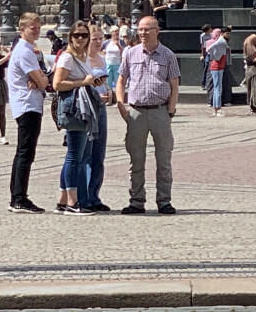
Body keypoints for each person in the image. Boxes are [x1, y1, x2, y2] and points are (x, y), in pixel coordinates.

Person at [115, 14, 179, 214]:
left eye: (147, 29)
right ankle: (136, 201)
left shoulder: (168, 55)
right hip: (136, 112)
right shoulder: (130, 53)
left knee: (164, 159)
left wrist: (170, 111)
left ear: (157, 31)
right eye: (140, 29)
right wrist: (121, 106)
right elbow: (121, 80)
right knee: (136, 159)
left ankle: (164, 201)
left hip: (160, 110)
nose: (142, 33)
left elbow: (174, 85)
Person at [53, 22, 104, 214]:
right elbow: (57, 84)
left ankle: (62, 199)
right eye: (76, 35)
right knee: (75, 156)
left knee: (75, 156)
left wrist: (93, 82)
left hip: (82, 108)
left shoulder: (83, 57)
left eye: (84, 35)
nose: (80, 39)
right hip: (74, 109)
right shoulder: (67, 57)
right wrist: (83, 82)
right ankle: (72, 203)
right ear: (70, 37)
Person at [6, 12, 51, 213]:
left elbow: (41, 79)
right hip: (27, 105)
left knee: (24, 152)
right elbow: (42, 81)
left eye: (38, 27)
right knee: (25, 152)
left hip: (28, 104)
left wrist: (41, 79)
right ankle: (18, 198)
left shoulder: (26, 50)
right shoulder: (24, 51)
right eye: (32, 27)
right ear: (22, 29)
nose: (36, 30)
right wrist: (41, 79)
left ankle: (18, 196)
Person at [199, 25, 230, 115]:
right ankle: (217, 108)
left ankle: (216, 108)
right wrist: (216, 57)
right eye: (227, 33)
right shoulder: (221, 41)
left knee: (217, 88)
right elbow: (211, 48)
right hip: (218, 66)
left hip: (217, 66)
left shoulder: (220, 41)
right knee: (218, 88)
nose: (228, 35)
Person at [240, 31, 256, 115]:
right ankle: (254, 106)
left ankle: (254, 105)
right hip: (254, 71)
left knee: (252, 89)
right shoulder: (252, 51)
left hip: (250, 71)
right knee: (254, 89)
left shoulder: (249, 48)